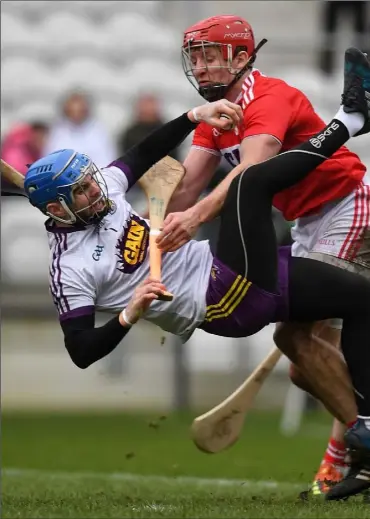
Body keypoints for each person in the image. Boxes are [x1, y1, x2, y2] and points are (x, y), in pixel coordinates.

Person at [22, 47, 370, 501]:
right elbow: (81, 351)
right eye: (81, 191)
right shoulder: (68, 269)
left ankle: (365, 429)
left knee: (361, 300)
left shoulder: (104, 190)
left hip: (232, 267)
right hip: (221, 298)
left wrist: (194, 115)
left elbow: (146, 150)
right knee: (249, 180)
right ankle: (350, 122)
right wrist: (131, 311)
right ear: (56, 209)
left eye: (90, 180)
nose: (96, 189)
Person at [155, 14, 370, 496]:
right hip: (307, 223)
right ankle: (361, 447)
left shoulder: (267, 97)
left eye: (210, 56)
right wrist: (148, 229)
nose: (201, 67)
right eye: (195, 58)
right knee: (306, 365)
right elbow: (189, 184)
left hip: (346, 205)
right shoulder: (218, 117)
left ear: (241, 57)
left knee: (297, 338)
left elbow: (250, 175)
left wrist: (194, 220)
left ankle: (347, 458)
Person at [44, 89, 116, 168]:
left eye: (80, 110)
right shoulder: (57, 130)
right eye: (72, 110)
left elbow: (106, 161)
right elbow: (50, 160)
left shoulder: (99, 130)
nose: (76, 114)